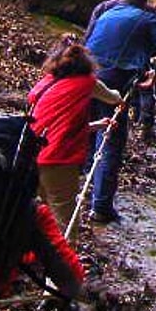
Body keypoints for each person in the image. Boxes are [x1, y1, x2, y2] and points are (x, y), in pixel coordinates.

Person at [84, 0, 156, 223]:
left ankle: (82, 185)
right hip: (114, 76)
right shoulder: (146, 18)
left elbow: (88, 39)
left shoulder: (105, 9)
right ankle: (101, 206)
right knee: (111, 138)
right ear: (142, 2)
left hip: (84, 72)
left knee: (86, 129)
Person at [27, 36, 124, 236]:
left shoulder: (47, 83)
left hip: (30, 153)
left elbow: (59, 124)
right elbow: (113, 97)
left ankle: (34, 255)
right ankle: (64, 262)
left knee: (38, 208)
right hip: (58, 158)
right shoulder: (87, 82)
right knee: (65, 217)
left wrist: (96, 125)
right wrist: (121, 98)